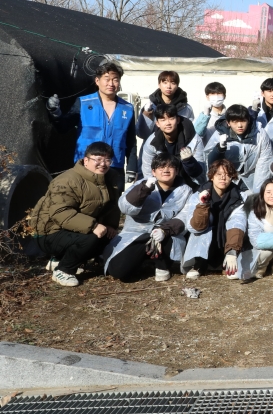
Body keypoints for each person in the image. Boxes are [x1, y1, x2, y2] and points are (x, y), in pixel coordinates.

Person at [31, 142, 124, 287]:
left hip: (74, 228)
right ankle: (64, 270)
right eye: (98, 159)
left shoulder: (110, 177)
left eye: (107, 160)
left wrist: (110, 225)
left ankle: (59, 259)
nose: (103, 164)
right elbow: (60, 212)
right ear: (86, 160)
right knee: (92, 237)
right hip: (49, 232)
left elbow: (113, 205)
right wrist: (93, 226)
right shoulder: (68, 180)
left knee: (109, 236)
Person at [104, 153, 192, 282]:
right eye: (161, 167)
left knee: (170, 237)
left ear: (177, 171)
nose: (166, 170)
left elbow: (185, 215)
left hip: (165, 235)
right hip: (136, 234)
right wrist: (143, 190)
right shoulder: (141, 184)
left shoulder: (186, 190)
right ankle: (143, 257)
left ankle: (162, 265)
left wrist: (164, 230)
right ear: (153, 171)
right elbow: (125, 207)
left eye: (170, 167)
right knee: (118, 271)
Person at [46, 61, 136, 179]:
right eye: (107, 79)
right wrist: (55, 112)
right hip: (86, 166)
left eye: (115, 80)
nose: (111, 84)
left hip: (114, 166)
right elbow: (63, 127)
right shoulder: (83, 103)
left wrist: (132, 168)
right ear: (97, 81)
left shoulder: (127, 108)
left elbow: (130, 141)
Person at [180, 159, 248, 279]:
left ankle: (229, 262)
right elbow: (194, 227)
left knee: (235, 228)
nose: (223, 177)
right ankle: (198, 263)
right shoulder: (197, 195)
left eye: (227, 174)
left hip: (227, 241)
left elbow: (238, 221)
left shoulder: (240, 197)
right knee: (204, 228)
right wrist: (203, 205)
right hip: (204, 241)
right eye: (219, 174)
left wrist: (232, 250)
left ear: (232, 177)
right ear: (211, 176)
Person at [205, 104, 273, 192]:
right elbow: (210, 163)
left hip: (252, 179)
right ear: (228, 123)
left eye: (243, 121)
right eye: (235, 122)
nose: (240, 125)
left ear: (248, 120)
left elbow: (265, 161)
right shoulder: (219, 135)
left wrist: (258, 190)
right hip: (226, 180)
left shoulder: (259, 134)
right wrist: (219, 149)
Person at [139, 104, 206, 188]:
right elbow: (148, 173)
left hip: (190, 185)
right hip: (163, 186)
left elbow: (201, 175)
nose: (168, 123)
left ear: (177, 120)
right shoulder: (151, 143)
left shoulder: (194, 140)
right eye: (163, 120)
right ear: (157, 124)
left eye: (171, 118)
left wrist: (189, 161)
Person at [136, 70, 195, 139]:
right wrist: (147, 115)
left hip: (179, 144)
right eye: (165, 82)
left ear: (177, 86)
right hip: (153, 145)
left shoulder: (186, 108)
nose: (168, 86)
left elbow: (190, 132)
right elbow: (141, 134)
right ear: (159, 85)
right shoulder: (150, 107)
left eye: (173, 83)